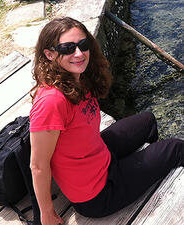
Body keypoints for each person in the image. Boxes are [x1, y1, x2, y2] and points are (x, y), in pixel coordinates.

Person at [29, 17, 183, 225]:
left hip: (98, 154)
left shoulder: (75, 78)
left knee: (147, 120)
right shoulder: (51, 102)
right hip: (97, 194)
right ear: (49, 54)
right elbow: (38, 165)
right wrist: (46, 213)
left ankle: (149, 165)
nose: (79, 53)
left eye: (83, 45)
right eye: (67, 48)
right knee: (175, 147)